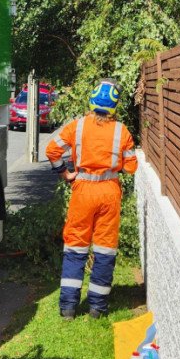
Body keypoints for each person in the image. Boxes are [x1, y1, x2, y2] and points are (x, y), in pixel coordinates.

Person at [45, 80, 138, 320]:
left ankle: (68, 308)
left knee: (76, 247)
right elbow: (130, 168)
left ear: (92, 100)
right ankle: (97, 308)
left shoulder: (77, 127)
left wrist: (65, 173)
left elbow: (52, 151)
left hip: (82, 190)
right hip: (109, 192)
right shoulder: (122, 131)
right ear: (114, 106)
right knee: (105, 249)